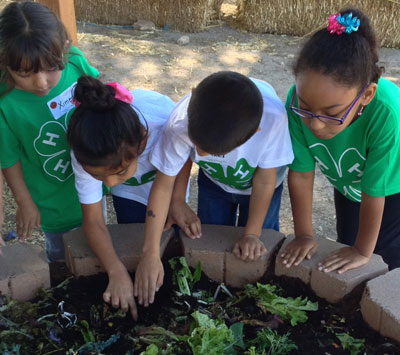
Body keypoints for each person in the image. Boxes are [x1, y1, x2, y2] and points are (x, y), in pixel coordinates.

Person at [135, 71, 294, 307]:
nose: (200, 154)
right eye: (195, 144)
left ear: (253, 134)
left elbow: (265, 181)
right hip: (214, 183)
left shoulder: (273, 120)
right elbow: (164, 183)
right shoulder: (181, 121)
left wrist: (251, 233)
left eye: (214, 152)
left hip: (260, 188)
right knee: (209, 236)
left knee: (258, 245)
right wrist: (151, 251)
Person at [281, 9, 400, 273]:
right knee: (347, 244)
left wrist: (362, 250)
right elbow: (301, 174)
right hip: (348, 184)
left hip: (391, 190)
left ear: (366, 95)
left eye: (332, 114)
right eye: (306, 107)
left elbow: (376, 189)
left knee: (385, 258)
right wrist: (304, 234)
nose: (315, 124)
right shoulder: (294, 103)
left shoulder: (387, 112)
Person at [68, 75, 175, 320]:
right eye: (98, 177)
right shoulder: (86, 150)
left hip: (165, 181)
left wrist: (152, 254)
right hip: (133, 189)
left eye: (119, 172)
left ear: (142, 144)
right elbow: (93, 220)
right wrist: (116, 271)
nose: (109, 184)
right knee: (131, 226)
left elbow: (173, 175)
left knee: (167, 232)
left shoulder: (164, 125)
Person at [0, 1, 99, 262]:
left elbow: (101, 97)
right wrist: (24, 202)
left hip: (93, 181)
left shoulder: (76, 63)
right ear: (4, 63)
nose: (41, 82)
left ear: (64, 49)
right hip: (52, 196)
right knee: (62, 257)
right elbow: (8, 158)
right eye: (24, 73)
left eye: (52, 67)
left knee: (98, 239)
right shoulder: (5, 102)